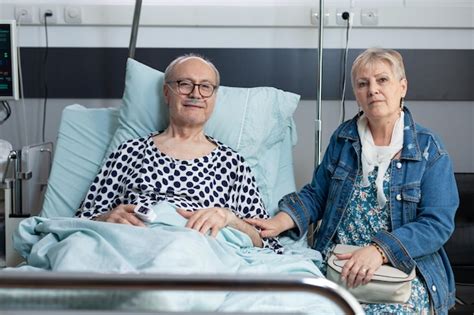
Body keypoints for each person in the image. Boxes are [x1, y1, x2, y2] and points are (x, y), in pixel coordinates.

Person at [246, 48, 458, 314]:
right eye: (362, 83)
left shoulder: (429, 149)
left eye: (382, 80)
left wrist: (380, 250)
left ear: (402, 87)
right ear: (356, 94)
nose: (372, 90)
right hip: (338, 265)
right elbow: (317, 195)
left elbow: (436, 224)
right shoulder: (344, 139)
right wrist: (279, 221)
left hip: (399, 272)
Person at [75, 53, 282, 253]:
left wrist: (229, 218)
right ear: (166, 93)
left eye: (205, 87)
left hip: (197, 249)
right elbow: (82, 219)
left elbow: (263, 241)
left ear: (214, 98)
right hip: (132, 243)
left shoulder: (232, 164)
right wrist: (108, 218)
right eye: (185, 84)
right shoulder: (130, 152)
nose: (195, 93)